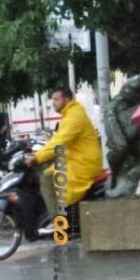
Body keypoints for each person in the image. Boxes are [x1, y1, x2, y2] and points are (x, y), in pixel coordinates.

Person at [26, 87, 103, 234]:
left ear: (66, 100)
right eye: (52, 99)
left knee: (47, 177)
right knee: (49, 171)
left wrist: (37, 158)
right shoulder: (70, 114)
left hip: (83, 163)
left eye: (56, 99)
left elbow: (59, 143)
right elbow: (56, 140)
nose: (53, 103)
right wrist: (39, 154)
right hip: (76, 160)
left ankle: (58, 221)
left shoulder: (74, 117)